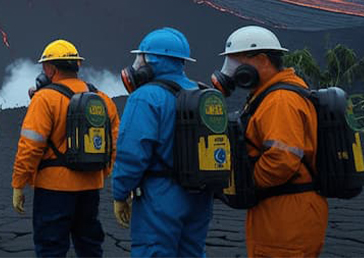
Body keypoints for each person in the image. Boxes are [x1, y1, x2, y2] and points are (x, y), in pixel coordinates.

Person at [214, 26, 327, 257]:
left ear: (263, 59)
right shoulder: (269, 96)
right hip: (280, 210)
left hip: (286, 216)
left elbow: (282, 160)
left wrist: (246, 183)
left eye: (236, 63)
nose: (232, 72)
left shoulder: (280, 100)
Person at [12, 39, 120, 257]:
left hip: (53, 190)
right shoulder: (102, 99)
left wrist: (19, 183)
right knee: (90, 246)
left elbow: (30, 146)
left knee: (51, 248)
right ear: (76, 66)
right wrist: (102, 173)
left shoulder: (44, 99)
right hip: (90, 187)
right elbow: (115, 144)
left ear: (50, 68)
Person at [111, 28, 213, 257]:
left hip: (159, 197)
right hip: (200, 197)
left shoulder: (145, 97)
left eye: (141, 57)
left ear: (152, 61)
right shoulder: (202, 92)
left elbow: (132, 153)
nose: (136, 64)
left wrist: (120, 193)